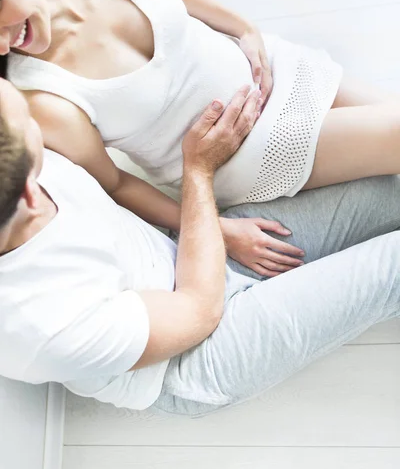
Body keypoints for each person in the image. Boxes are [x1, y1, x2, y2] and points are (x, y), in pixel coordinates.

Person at [1, 0, 400, 279]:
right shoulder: (45, 97)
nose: (4, 40)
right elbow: (117, 183)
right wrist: (217, 227)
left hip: (278, 70)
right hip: (250, 151)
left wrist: (242, 27)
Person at [0, 77, 399, 415]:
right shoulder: (36, 325)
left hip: (189, 247)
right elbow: (199, 310)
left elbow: (115, 185)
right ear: (32, 195)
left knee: (390, 187)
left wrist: (218, 227)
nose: (33, 113)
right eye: (28, 123)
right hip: (189, 355)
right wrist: (199, 169)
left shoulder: (13, 171)